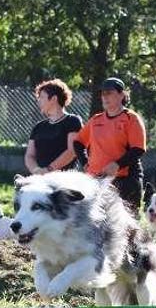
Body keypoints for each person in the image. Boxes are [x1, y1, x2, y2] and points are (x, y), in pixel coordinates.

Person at [74, 77, 147, 214]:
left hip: (125, 180)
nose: (105, 97)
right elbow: (78, 143)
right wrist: (84, 162)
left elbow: (138, 149)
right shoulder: (96, 120)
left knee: (127, 224)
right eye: (103, 94)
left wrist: (117, 164)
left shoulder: (131, 118)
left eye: (110, 93)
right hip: (96, 180)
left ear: (122, 95)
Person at [25, 79, 83, 174]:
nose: (38, 101)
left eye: (42, 97)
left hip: (64, 179)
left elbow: (71, 151)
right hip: (39, 178)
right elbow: (29, 155)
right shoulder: (39, 127)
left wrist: (49, 169)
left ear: (54, 99)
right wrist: (36, 171)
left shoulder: (73, 121)